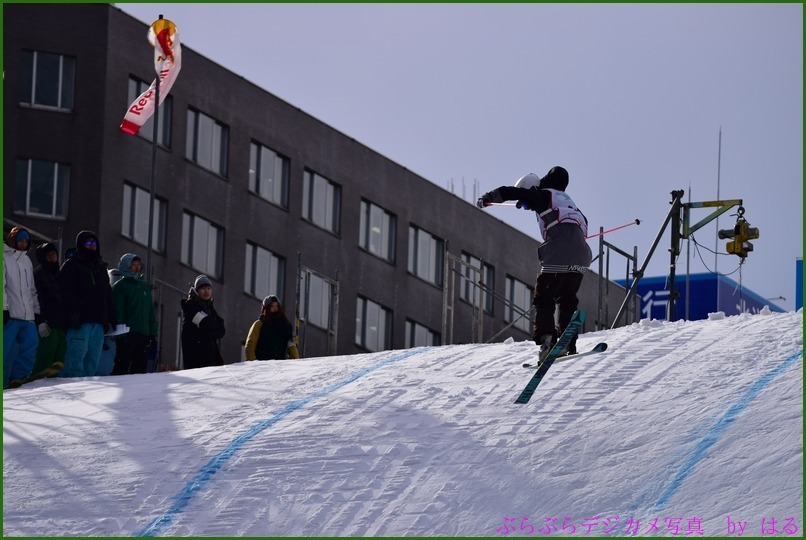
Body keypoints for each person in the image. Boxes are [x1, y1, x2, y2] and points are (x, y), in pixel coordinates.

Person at [478, 166, 592, 356]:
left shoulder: (542, 195)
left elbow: (510, 192)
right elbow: (582, 226)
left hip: (559, 252)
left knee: (544, 297)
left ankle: (547, 340)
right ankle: (568, 342)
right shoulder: (569, 202)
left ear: (531, 189)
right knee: (567, 297)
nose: (526, 206)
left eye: (524, 203)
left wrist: (488, 198)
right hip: (581, 256)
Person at [59, 230, 117, 378]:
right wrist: (72, 315)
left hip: (98, 322)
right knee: (75, 360)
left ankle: (87, 390)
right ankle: (70, 392)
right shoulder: (71, 265)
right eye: (88, 243)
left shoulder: (101, 268)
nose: (92, 246)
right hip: (80, 321)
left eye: (94, 243)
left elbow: (107, 295)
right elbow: (66, 293)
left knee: (92, 361)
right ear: (80, 244)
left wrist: (112, 318)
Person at [3, 227, 41, 387]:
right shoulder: (4, 257)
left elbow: (31, 289)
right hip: (10, 314)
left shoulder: (27, 260)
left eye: (26, 241)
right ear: (13, 239)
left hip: (27, 315)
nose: (23, 243)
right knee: (3, 349)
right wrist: (4, 308)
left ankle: (18, 376)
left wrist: (36, 311)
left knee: (31, 345)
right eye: (20, 240)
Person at [111, 253, 158, 375]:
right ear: (126, 266)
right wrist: (120, 334)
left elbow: (150, 311)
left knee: (140, 370)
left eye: (138, 264)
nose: (137, 267)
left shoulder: (144, 286)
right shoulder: (120, 286)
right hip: (127, 334)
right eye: (133, 265)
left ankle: (137, 394)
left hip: (144, 334)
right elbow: (118, 310)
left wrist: (153, 332)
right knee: (122, 367)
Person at [31, 242, 67, 376]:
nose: (52, 257)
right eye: (48, 255)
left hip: (63, 323)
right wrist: (40, 320)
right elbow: (36, 298)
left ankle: (54, 386)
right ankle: (36, 380)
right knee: (45, 357)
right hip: (48, 323)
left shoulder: (61, 273)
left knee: (59, 360)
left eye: (54, 254)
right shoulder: (38, 275)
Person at [181, 275, 225, 369]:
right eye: (203, 288)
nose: (206, 291)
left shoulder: (209, 309)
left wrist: (208, 330)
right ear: (197, 290)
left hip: (211, 360)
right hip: (196, 361)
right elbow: (206, 323)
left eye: (209, 288)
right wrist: (212, 328)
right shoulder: (190, 306)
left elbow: (221, 330)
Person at [244, 295, 294, 361]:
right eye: (272, 306)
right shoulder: (259, 324)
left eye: (277, 306)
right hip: (262, 367)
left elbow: (291, 346)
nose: (275, 309)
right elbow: (250, 346)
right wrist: (253, 365)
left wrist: (296, 364)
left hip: (279, 367)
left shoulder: (285, 326)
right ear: (265, 309)